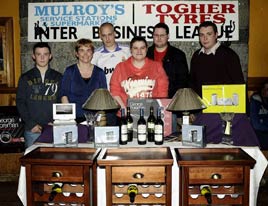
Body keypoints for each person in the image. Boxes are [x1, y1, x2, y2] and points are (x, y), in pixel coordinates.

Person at [16, 42, 62, 147]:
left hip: (53, 128)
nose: (42, 57)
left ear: (50, 56)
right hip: (32, 130)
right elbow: (20, 103)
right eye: (38, 54)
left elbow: (61, 101)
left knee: (53, 160)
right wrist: (31, 124)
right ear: (33, 56)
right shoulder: (25, 78)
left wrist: (56, 121)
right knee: (32, 161)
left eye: (45, 54)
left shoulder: (58, 77)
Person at [110, 36, 169, 109]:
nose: (139, 51)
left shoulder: (157, 67)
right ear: (131, 50)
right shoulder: (120, 67)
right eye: (135, 48)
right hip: (126, 114)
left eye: (142, 48)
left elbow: (162, 92)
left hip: (151, 113)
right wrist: (124, 110)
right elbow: (114, 91)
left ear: (146, 49)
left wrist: (156, 111)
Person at [190, 21, 245, 97]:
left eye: (209, 34)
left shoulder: (229, 55)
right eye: (202, 35)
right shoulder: (196, 56)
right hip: (201, 105)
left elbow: (239, 84)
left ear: (216, 35)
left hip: (222, 105)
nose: (205, 38)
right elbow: (192, 84)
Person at [61, 38, 107, 122]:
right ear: (76, 53)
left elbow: (103, 98)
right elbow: (64, 96)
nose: (85, 54)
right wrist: (68, 119)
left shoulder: (100, 72)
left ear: (92, 53)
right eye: (81, 50)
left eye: (88, 50)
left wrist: (99, 119)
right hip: (74, 118)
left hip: (95, 119)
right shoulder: (70, 71)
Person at [147, 22, 189, 98]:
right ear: (153, 36)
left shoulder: (178, 55)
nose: (159, 38)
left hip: (172, 99)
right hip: (149, 98)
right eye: (156, 35)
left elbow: (183, 81)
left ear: (168, 36)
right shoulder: (146, 54)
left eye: (162, 35)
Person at [91, 22, 131, 90]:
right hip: (106, 95)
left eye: (110, 34)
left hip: (125, 93)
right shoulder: (95, 54)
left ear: (114, 34)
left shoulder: (127, 50)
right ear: (100, 36)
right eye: (104, 35)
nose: (107, 38)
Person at [250, 81, 268, 149]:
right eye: (264, 88)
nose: (265, 91)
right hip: (260, 136)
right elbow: (256, 125)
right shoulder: (256, 101)